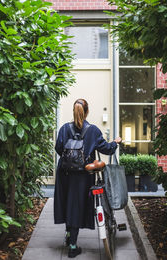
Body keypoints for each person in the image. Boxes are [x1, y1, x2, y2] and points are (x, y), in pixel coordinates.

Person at [54, 98, 122, 258]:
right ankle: (72, 247)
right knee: (76, 207)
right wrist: (115, 142)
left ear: (74, 111)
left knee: (67, 204)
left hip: (65, 174)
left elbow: (58, 148)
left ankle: (69, 236)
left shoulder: (64, 129)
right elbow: (106, 149)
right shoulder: (93, 131)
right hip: (83, 176)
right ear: (87, 112)